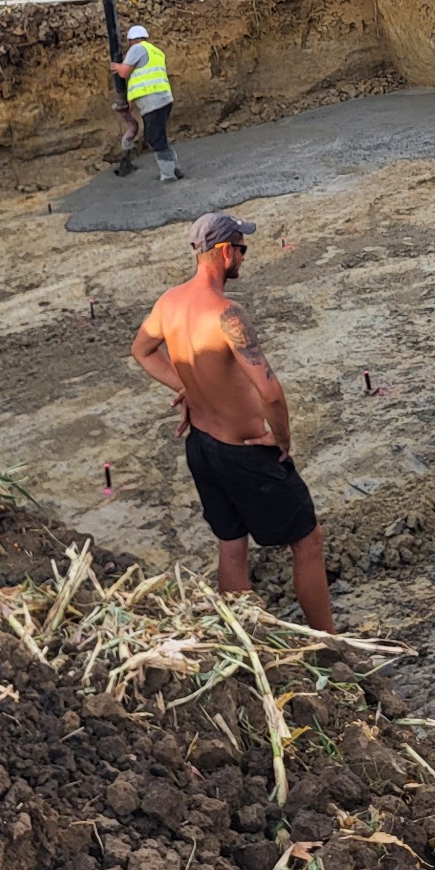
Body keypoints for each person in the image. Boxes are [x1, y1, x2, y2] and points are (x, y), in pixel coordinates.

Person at [130, 211, 334, 631]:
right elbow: (270, 391)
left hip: (202, 447)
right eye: (241, 249)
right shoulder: (228, 314)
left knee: (231, 546)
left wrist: (184, 386)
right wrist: (281, 440)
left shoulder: (169, 302)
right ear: (224, 252)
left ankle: (244, 640)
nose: (244, 257)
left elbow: (143, 350)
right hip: (244, 454)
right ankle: (331, 645)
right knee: (308, 541)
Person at [111, 24, 181, 182]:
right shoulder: (155, 51)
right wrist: (132, 99)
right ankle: (174, 168)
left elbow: (124, 72)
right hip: (163, 99)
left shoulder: (137, 49)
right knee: (160, 135)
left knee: (155, 137)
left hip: (153, 101)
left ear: (130, 40)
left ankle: (168, 175)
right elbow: (143, 78)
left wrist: (117, 66)